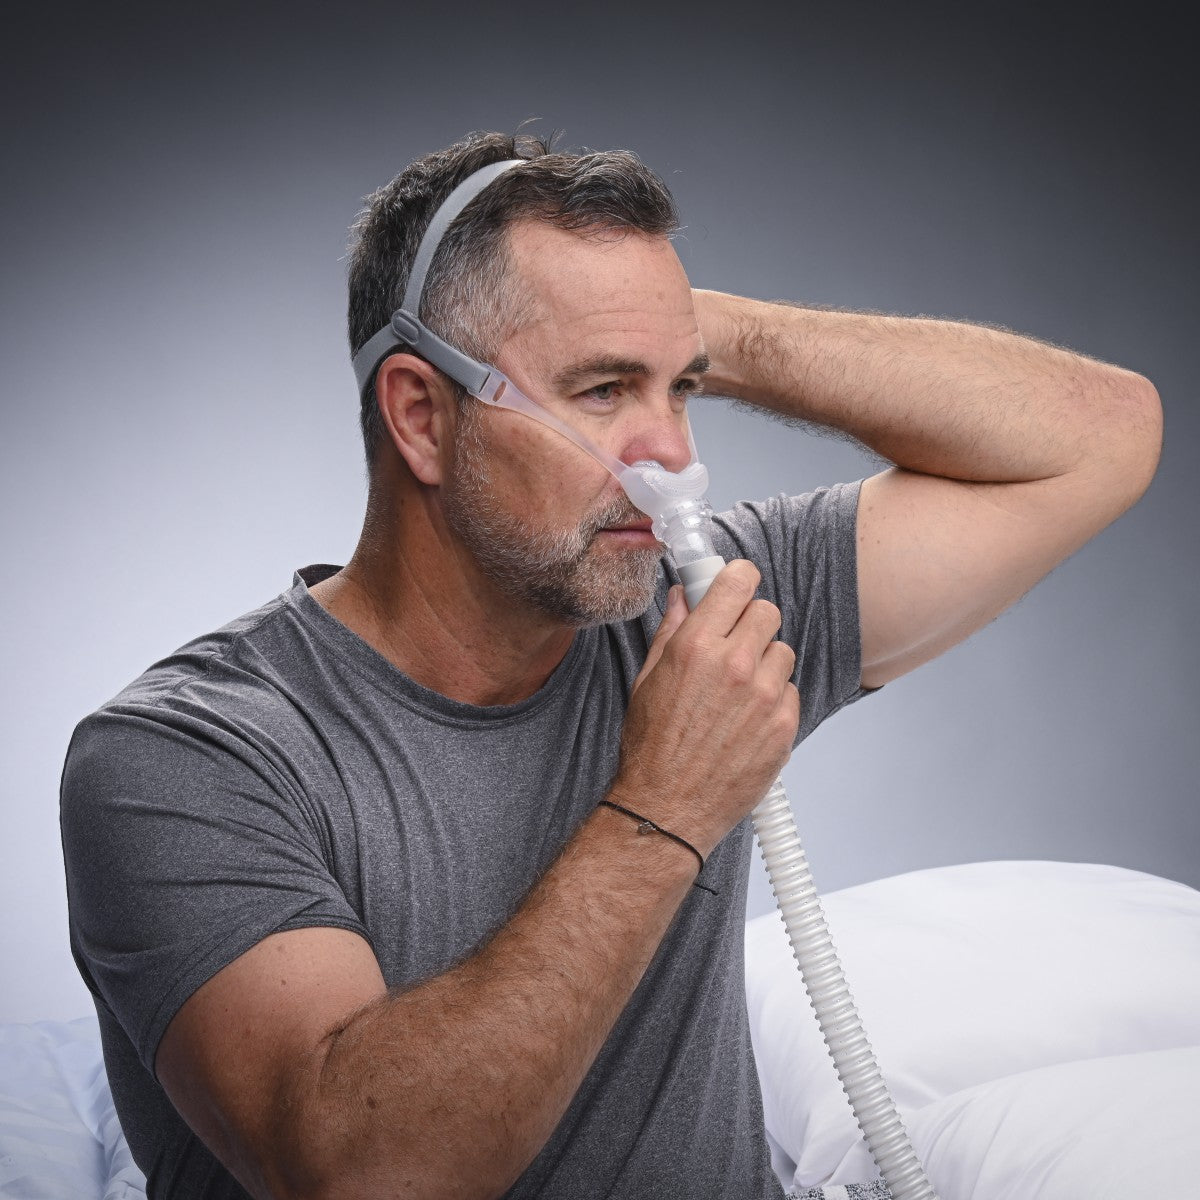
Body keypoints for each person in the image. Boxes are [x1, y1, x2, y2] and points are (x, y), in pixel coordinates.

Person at [60, 130, 1162, 1200]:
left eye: (677, 391)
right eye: (601, 392)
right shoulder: (180, 757)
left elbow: (1102, 435)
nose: (673, 457)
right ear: (421, 417)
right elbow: (363, 1172)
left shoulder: (696, 601)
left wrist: (683, 336)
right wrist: (665, 805)